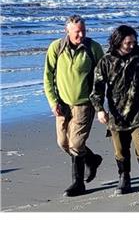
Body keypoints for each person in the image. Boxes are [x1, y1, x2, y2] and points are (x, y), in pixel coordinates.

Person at [91, 25, 139, 195]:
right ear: (118, 41)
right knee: (120, 150)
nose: (132, 45)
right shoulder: (106, 61)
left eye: (134, 41)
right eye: (128, 42)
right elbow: (97, 88)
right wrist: (99, 110)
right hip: (117, 115)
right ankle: (124, 178)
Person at [43, 14, 105, 197]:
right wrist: (53, 102)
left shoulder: (93, 48)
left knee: (76, 144)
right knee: (63, 143)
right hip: (62, 105)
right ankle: (92, 159)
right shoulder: (56, 47)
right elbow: (47, 77)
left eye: (83, 31)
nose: (81, 35)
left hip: (84, 104)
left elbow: (102, 77)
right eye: (77, 32)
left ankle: (78, 183)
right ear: (67, 31)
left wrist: (99, 103)